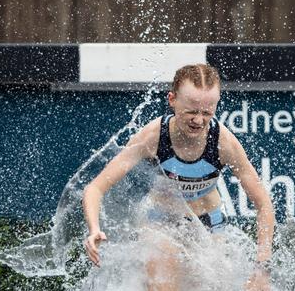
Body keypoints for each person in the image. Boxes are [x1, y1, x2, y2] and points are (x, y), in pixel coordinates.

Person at [81, 64, 275, 290]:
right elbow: (95, 189)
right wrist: (94, 229)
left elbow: (263, 204)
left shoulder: (224, 143)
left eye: (207, 113)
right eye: (191, 111)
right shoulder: (153, 137)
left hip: (207, 224)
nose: (199, 121)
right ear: (172, 99)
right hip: (160, 220)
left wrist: (262, 268)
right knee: (162, 282)